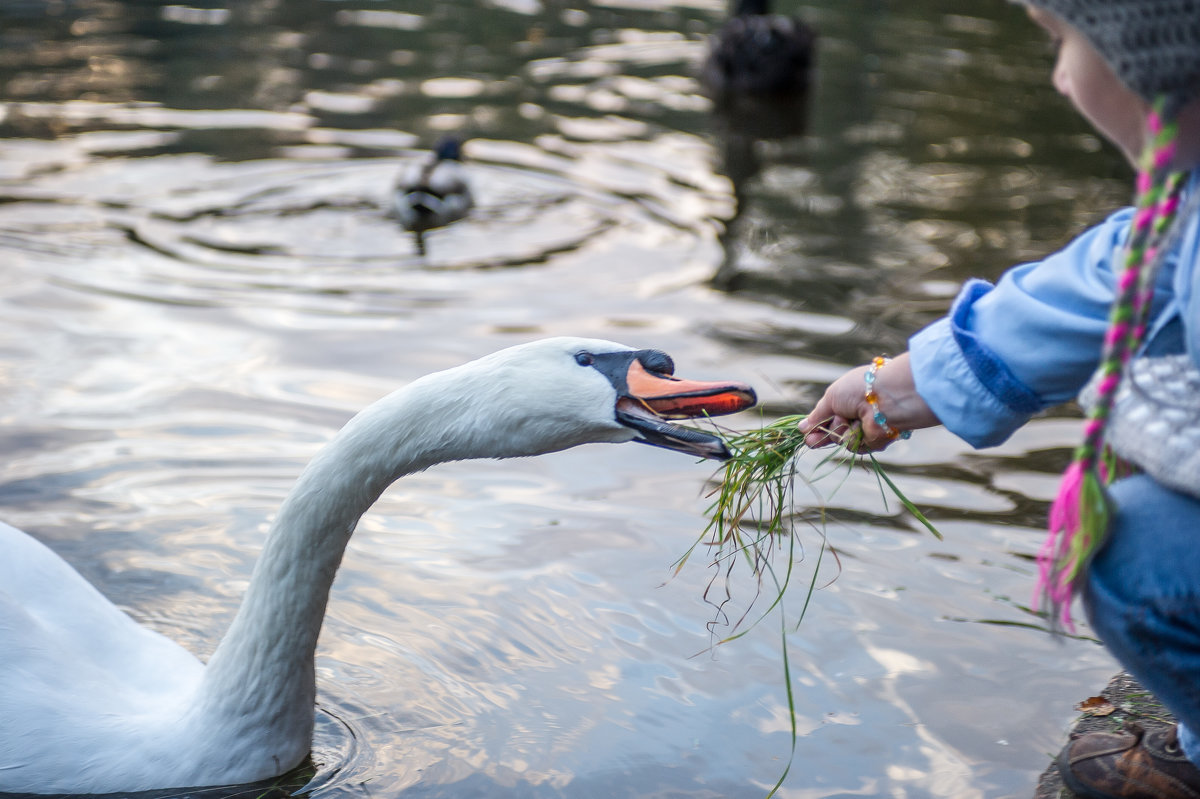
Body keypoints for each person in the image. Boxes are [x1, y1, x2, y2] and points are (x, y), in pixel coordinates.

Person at [796, 2, 1200, 798]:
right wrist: (885, 388)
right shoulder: (1178, 219)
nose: (1055, 76)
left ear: (1158, 60)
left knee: (1124, 553)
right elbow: (1074, 297)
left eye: (1062, 41)